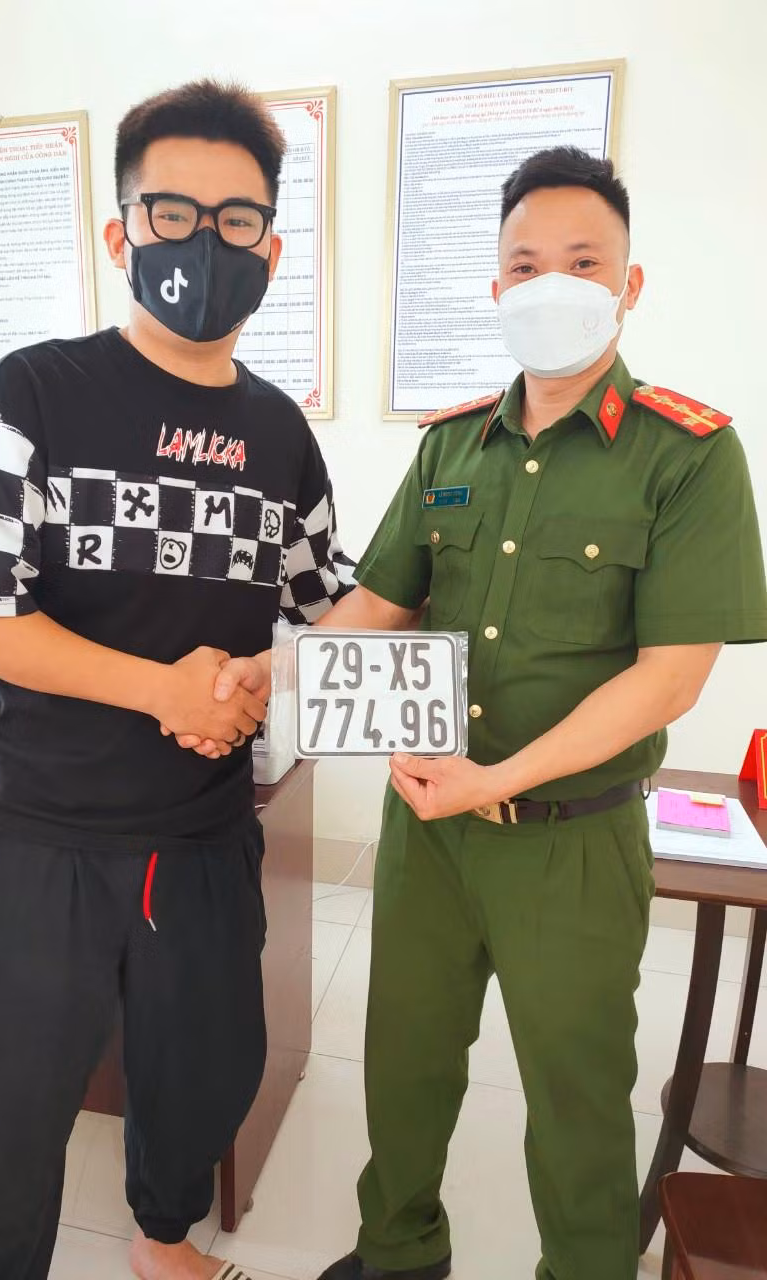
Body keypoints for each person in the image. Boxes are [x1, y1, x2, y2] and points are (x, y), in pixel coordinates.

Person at [0, 79, 351, 1280]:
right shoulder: (29, 392)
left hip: (200, 839)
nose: (205, 242)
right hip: (30, 834)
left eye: (238, 219)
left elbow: (328, 603)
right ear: (122, 233)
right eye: (173, 213)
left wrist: (260, 677)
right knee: (0, 1124)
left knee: (201, 1078)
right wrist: (164, 689)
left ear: (270, 248)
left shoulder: (281, 434)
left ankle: (165, 1240)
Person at [304, 147, 767, 1280]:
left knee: (576, 1091)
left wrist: (496, 781)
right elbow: (382, 600)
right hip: (428, 825)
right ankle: (397, 1251)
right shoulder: (450, 442)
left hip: (572, 840)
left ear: (629, 283)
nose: (550, 282)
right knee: (404, 1060)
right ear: (496, 285)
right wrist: (275, 676)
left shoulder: (689, 455)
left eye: (582, 261)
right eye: (525, 263)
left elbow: (670, 677)